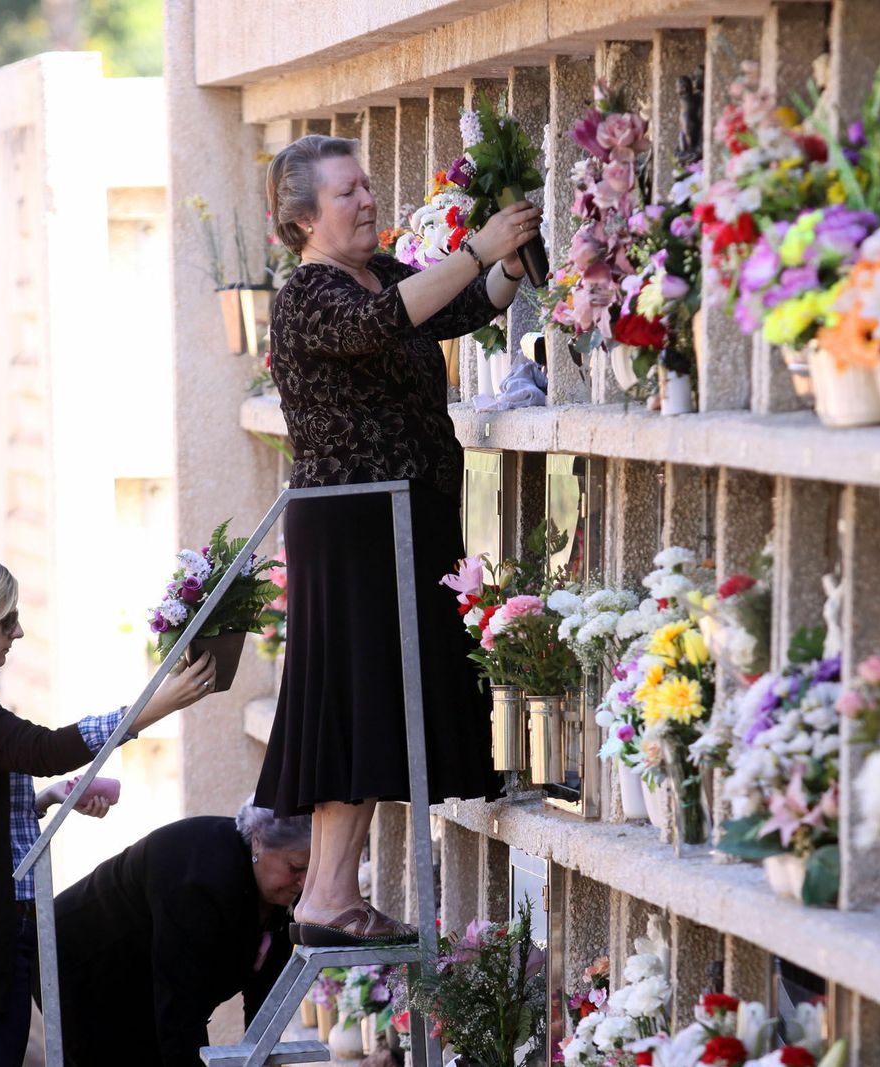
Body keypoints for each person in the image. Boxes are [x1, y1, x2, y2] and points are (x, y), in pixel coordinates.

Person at [255, 134, 541, 947]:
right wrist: (474, 244)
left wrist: (509, 261)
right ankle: (324, 899)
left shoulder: (381, 273)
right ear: (304, 217)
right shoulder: (308, 294)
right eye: (348, 192)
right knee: (353, 703)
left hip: (402, 519)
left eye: (367, 186)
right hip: (352, 529)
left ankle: (332, 895)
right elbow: (384, 324)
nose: (367, 200)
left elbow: (458, 305)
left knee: (374, 708)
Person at [0, 550, 217, 1066]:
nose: (17, 634)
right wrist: (152, 707)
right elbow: (40, 750)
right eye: (7, 621)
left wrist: (42, 801)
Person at [47, 801, 311, 1066]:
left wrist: (262, 1057)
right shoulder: (201, 879)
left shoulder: (279, 890)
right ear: (258, 842)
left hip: (151, 980)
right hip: (85, 963)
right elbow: (181, 1008)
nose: (304, 882)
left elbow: (266, 998)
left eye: (311, 870)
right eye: (296, 867)